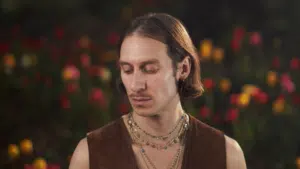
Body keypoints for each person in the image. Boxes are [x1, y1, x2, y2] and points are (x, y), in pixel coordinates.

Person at [69, 13, 247, 169]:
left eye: (149, 69)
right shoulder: (91, 154)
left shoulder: (225, 154)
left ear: (183, 69)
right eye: (127, 70)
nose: (136, 86)